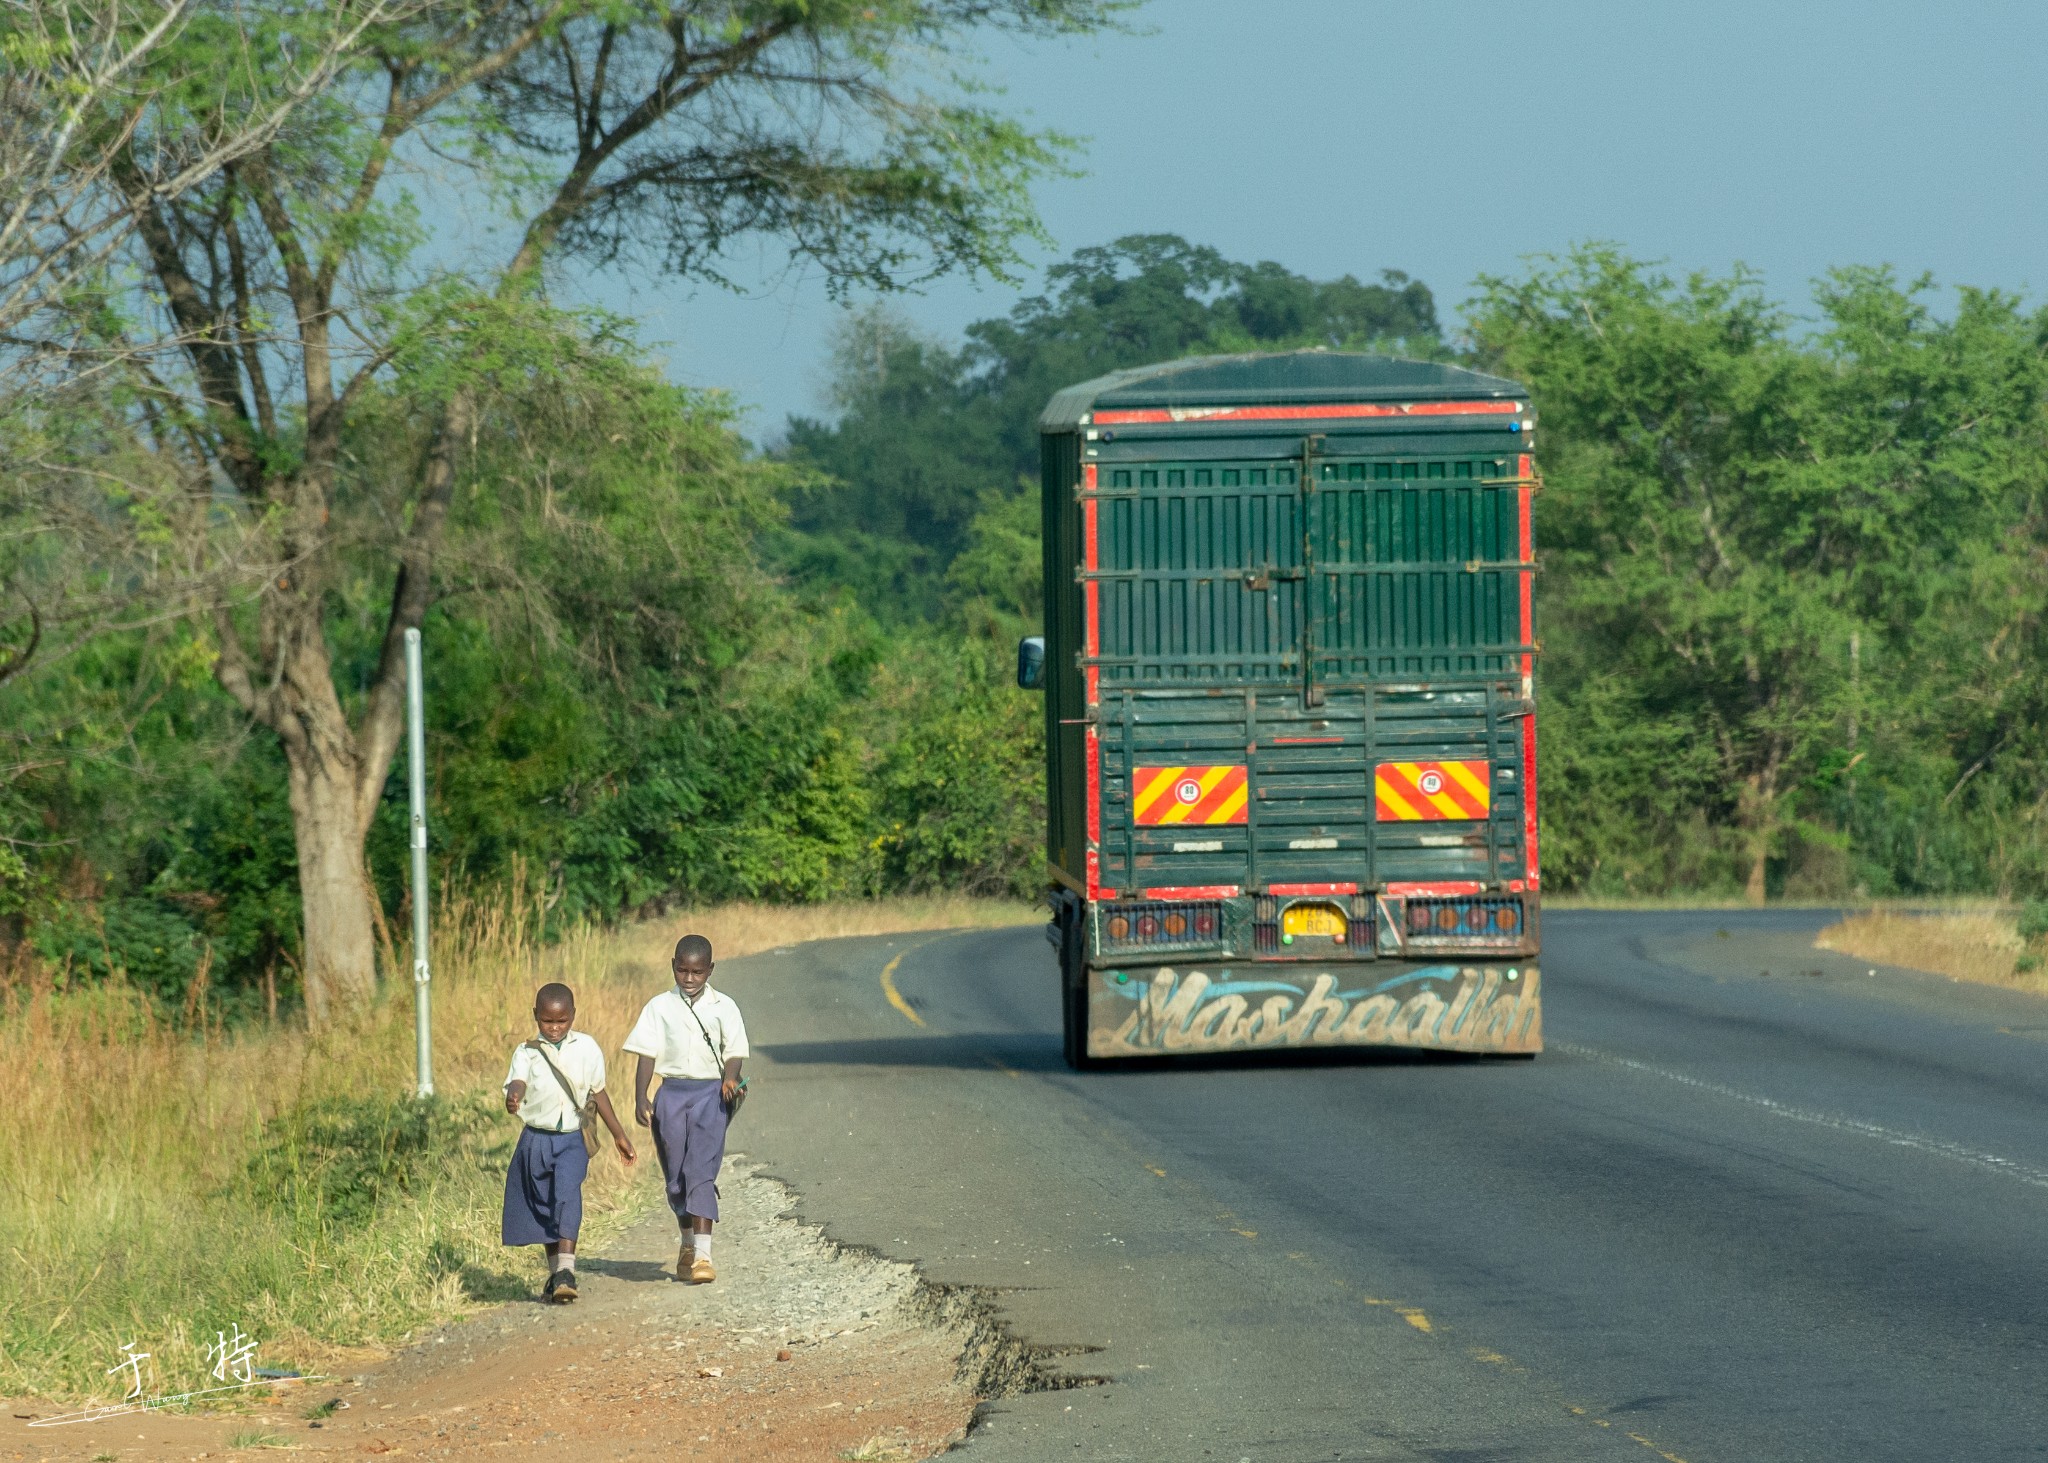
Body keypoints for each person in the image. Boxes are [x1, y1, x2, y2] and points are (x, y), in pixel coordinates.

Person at [623, 934, 748, 1283]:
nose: (689, 978)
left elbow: (734, 1050)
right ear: (673, 967)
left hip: (711, 1095)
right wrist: (641, 1097)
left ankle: (704, 1258)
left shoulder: (726, 1007)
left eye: (697, 972)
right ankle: (687, 1243)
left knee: (700, 1172)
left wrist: (730, 1079)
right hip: (671, 1096)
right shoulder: (658, 1007)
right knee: (676, 1179)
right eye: (682, 970)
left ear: (710, 970)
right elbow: (647, 1054)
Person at [502, 981, 635, 1303]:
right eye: (547, 1021)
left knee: (566, 1194)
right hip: (536, 1138)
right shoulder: (527, 1051)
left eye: (562, 1021)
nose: (555, 1028)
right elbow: (516, 1080)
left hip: (572, 1138)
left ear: (573, 1015)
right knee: (544, 1203)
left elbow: (598, 1093)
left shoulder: (587, 1048)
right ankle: (556, 1275)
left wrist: (619, 1134)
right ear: (536, 1016)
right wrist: (514, 1095)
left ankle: (567, 1268)